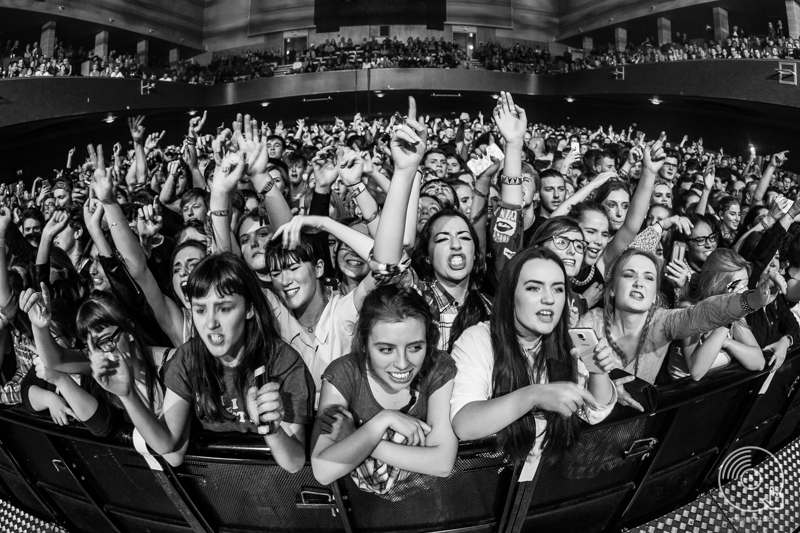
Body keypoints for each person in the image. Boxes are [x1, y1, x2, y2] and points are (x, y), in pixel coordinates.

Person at [91, 253, 314, 471]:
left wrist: (273, 431)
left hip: (276, 491)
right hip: (218, 493)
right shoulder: (188, 358)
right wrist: (127, 395)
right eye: (200, 309)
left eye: (224, 308)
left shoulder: (282, 361)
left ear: (249, 308)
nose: (210, 323)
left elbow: (294, 462)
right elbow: (166, 443)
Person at [450, 248, 616, 479]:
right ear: (510, 295)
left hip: (543, 481)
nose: (549, 298)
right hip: (486, 483)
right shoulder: (478, 340)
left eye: (558, 289)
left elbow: (595, 411)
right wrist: (533, 395)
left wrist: (599, 373)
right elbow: (464, 424)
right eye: (534, 288)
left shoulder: (569, 342)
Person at [578, 248, 779, 409]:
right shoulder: (589, 325)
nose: (639, 283)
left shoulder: (661, 322)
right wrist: (611, 389)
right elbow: (575, 378)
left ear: (655, 294)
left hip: (634, 431)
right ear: (612, 288)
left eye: (648, 278)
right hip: (590, 426)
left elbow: (701, 314)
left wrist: (754, 298)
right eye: (629, 275)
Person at [310, 285, 457, 496]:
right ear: (364, 344)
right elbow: (323, 470)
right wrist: (383, 420)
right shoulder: (344, 374)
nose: (402, 363)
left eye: (415, 347)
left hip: (431, 500)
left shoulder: (437, 366)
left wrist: (357, 437)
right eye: (386, 349)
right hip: (363, 510)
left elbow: (442, 463)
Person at [668, 248, 765, 380]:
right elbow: (696, 371)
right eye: (737, 286)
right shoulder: (688, 311)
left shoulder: (735, 314)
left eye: (745, 286)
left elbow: (759, 362)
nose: (743, 292)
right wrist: (726, 321)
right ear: (716, 284)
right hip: (682, 396)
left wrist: (726, 343)